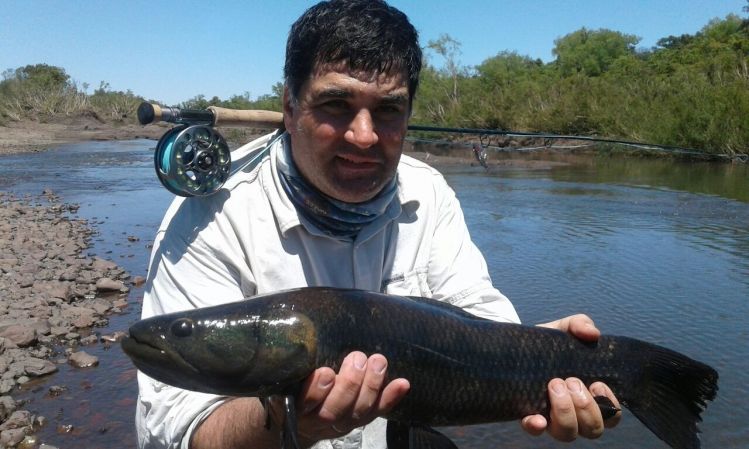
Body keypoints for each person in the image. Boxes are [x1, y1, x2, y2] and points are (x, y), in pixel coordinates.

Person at [135, 1, 621, 448]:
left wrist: (546, 357)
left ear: (409, 113)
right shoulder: (210, 217)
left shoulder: (427, 191)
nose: (364, 136)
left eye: (388, 109)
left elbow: (475, 317)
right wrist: (295, 422)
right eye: (335, 105)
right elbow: (177, 431)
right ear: (289, 107)